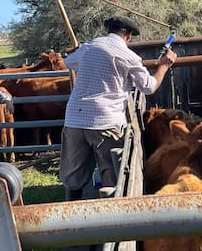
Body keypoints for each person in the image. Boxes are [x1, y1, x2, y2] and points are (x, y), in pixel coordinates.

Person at [59, 15, 177, 203]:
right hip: (105, 121)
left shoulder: (89, 47)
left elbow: (68, 62)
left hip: (75, 119)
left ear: (108, 31)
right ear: (129, 36)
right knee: (112, 174)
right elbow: (148, 87)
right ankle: (111, 215)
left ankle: (71, 211)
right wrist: (163, 66)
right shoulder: (128, 56)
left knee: (73, 175)